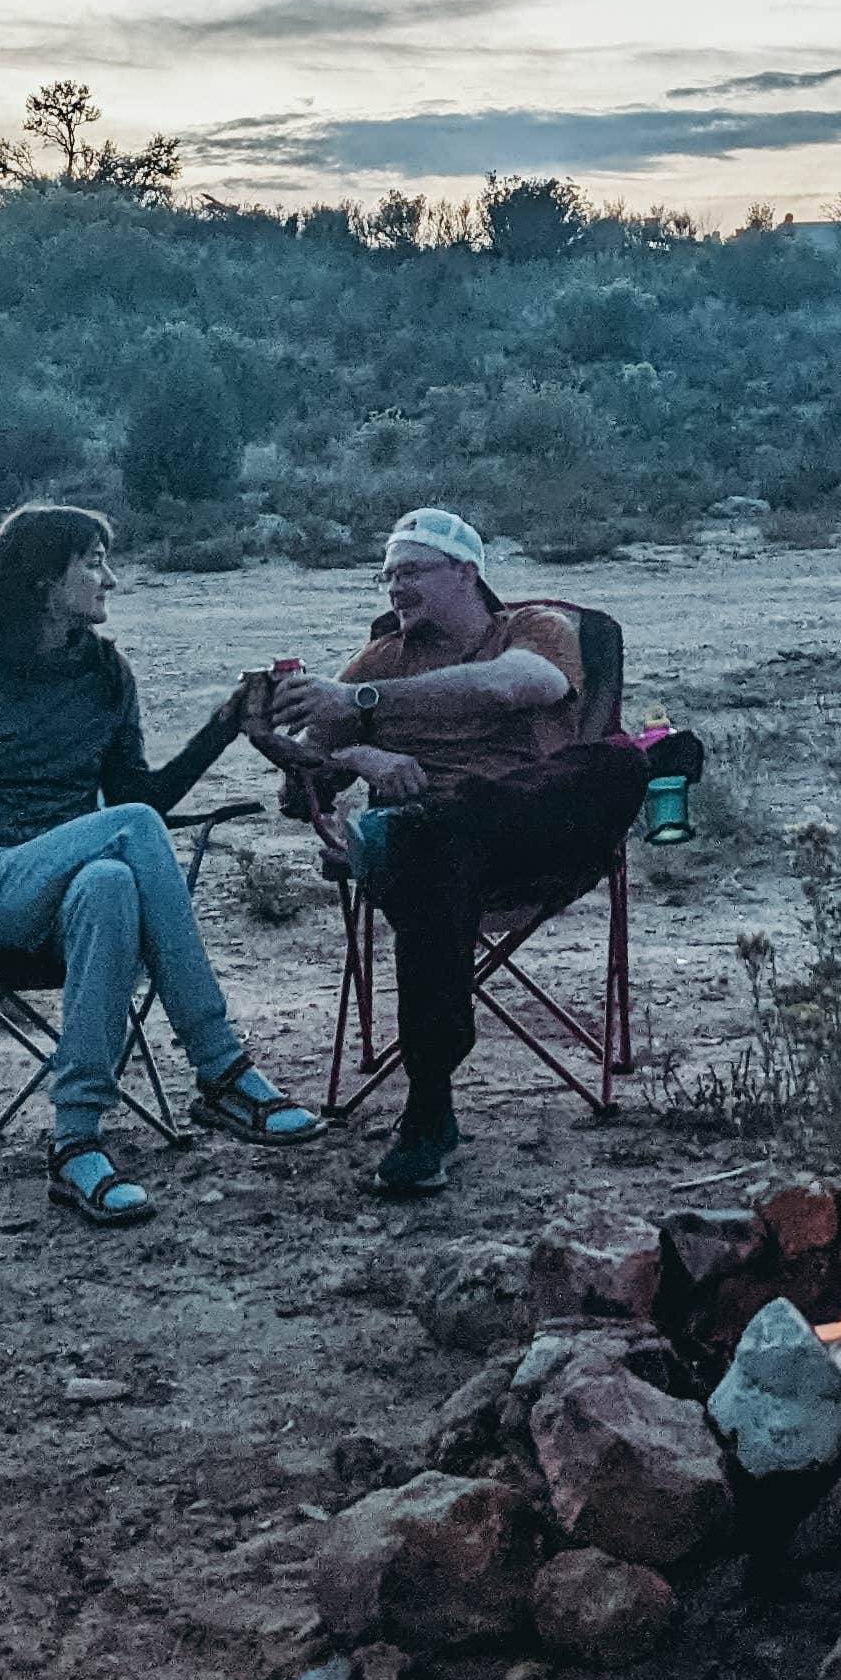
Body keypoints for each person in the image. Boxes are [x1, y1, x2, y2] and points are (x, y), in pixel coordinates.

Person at [0, 502, 316, 1222]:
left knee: (112, 880)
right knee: (122, 838)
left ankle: (76, 1143)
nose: (110, 579)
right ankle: (219, 1067)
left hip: (73, 889)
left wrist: (224, 726)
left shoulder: (104, 675)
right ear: (38, 580)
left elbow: (138, 798)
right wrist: (20, 844)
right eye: (92, 561)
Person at [269, 508, 646, 1199]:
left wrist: (361, 700)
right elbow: (306, 769)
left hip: (534, 833)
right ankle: (429, 1110)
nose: (394, 588)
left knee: (616, 768)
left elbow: (518, 685)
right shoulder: (382, 656)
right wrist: (364, 751)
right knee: (432, 847)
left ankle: (432, 828)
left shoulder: (531, 630)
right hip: (436, 861)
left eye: (410, 571)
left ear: (466, 573)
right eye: (387, 575)